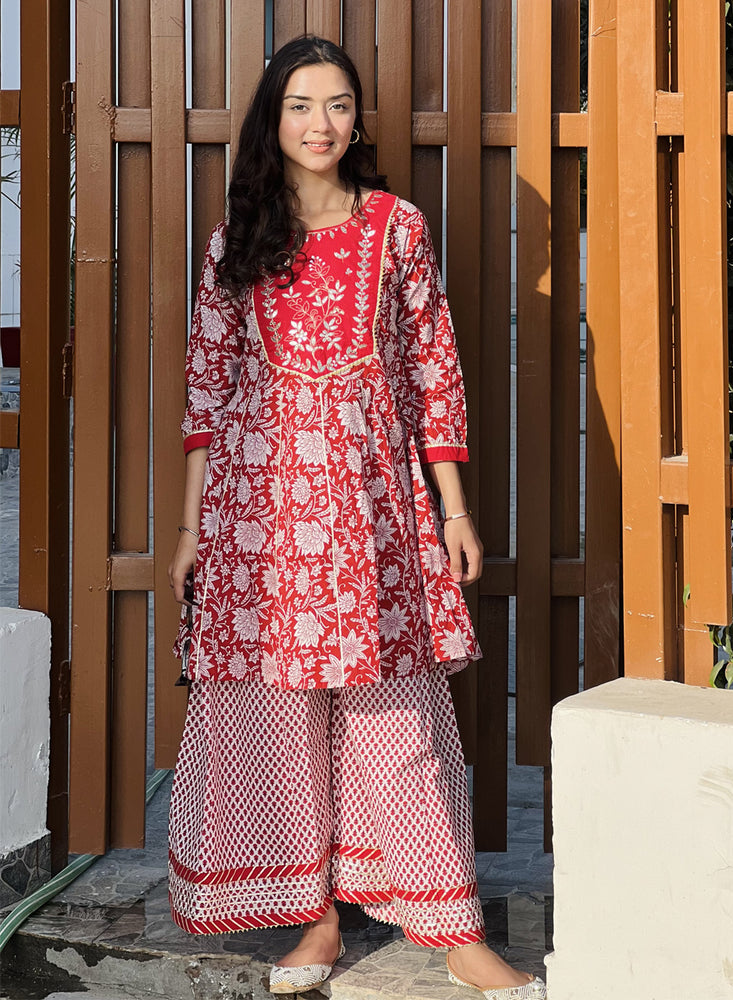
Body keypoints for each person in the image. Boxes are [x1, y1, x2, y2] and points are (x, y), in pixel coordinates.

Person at [167, 34, 546, 1000]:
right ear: (272, 119)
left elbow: (434, 373)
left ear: (357, 118)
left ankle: (453, 929)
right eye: (300, 105)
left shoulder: (397, 228)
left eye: (338, 105)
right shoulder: (235, 240)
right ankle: (317, 919)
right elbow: (207, 392)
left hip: (373, 504)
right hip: (260, 510)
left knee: (396, 712)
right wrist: (188, 531)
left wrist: (451, 507)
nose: (320, 125)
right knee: (281, 719)